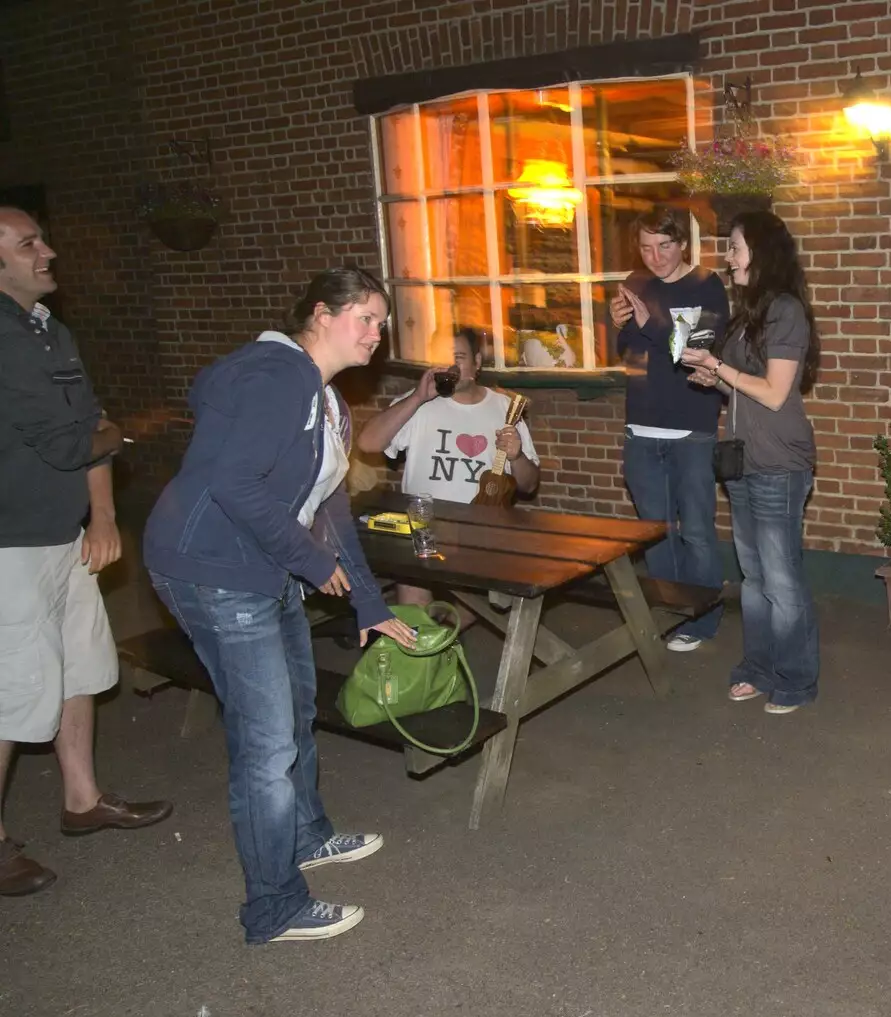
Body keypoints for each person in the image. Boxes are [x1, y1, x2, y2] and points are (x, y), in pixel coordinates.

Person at [144, 268, 416, 944]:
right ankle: (272, 906)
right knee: (265, 746)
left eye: (382, 322)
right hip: (213, 566)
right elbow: (236, 483)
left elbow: (331, 508)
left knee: (294, 707)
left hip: (262, 565)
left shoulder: (326, 400)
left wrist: (370, 605)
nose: (377, 334)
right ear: (320, 314)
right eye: (365, 317)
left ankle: (307, 834)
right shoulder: (278, 376)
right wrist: (312, 563)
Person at [0, 206, 172, 898]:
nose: (50, 251)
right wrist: (115, 434)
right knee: (13, 693)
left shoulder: (51, 332)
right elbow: (79, 440)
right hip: (9, 546)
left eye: (44, 235)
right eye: (29, 243)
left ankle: (82, 800)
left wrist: (102, 516)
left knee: (78, 667)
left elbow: (92, 426)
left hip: (66, 535)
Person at [681, 211, 821, 713]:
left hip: (779, 463)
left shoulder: (786, 311)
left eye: (735, 247)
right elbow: (744, 387)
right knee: (754, 579)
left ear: (760, 252)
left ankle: (796, 678)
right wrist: (711, 377)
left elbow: (776, 393)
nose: (728, 256)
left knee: (781, 580)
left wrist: (719, 366)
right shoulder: (748, 315)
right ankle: (760, 668)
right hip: (742, 463)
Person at [610, 205, 731, 652]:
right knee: (655, 531)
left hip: (690, 428)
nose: (655, 257)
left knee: (696, 530)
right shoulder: (636, 282)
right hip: (641, 426)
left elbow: (693, 353)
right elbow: (628, 352)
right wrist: (617, 323)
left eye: (664, 246)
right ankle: (671, 612)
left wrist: (648, 322)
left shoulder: (706, 284)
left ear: (682, 244)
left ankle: (703, 618)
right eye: (645, 247)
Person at [355, 325, 539, 608]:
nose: (451, 364)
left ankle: (443, 629)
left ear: (477, 363)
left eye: (460, 356)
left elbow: (529, 485)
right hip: (423, 528)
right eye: (443, 357)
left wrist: (517, 457)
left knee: (480, 605)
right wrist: (417, 397)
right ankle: (425, 639)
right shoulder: (418, 404)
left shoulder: (505, 408)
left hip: (480, 531)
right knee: (412, 586)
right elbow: (367, 443)